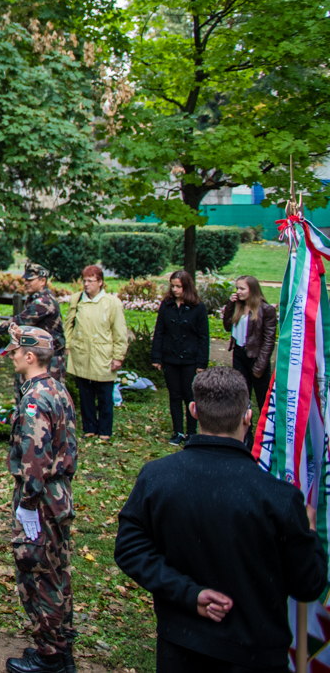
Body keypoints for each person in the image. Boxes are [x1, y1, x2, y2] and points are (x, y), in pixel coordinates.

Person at [114, 367, 327, 673]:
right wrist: (310, 532)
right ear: (248, 417)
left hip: (184, 649)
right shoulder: (278, 498)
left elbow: (130, 550)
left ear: (193, 410)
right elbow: (309, 584)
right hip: (252, 654)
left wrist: (186, 591)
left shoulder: (157, 478)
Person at [2, 326, 78, 673]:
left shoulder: (35, 399)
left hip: (41, 497)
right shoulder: (57, 388)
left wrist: (28, 504)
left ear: (30, 356)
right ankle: (62, 647)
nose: (12, 356)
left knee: (37, 572)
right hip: (58, 494)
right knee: (57, 570)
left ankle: (49, 657)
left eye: (15, 351)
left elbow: (35, 456)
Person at [63, 265, 127, 439]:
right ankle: (89, 428)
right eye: (84, 280)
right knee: (85, 394)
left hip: (103, 355)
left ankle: (105, 431)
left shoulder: (112, 303)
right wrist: (67, 346)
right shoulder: (77, 299)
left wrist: (118, 356)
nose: (86, 284)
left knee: (105, 395)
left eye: (90, 281)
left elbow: (119, 332)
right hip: (81, 354)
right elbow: (68, 325)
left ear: (100, 282)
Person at [151, 269, 209, 446]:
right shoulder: (166, 305)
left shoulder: (198, 308)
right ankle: (178, 431)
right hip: (170, 358)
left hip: (190, 359)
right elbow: (159, 332)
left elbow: (204, 337)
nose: (175, 290)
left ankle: (191, 432)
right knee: (174, 395)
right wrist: (157, 357)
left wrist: (201, 363)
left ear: (187, 287)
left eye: (178, 286)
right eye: (173, 286)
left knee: (190, 396)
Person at [221, 275, 277, 412]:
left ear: (252, 290)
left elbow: (269, 340)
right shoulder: (238, 306)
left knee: (262, 397)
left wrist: (260, 365)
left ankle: (264, 425)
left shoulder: (266, 310)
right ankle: (245, 425)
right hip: (239, 354)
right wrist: (230, 305)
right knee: (241, 396)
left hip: (257, 356)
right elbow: (227, 327)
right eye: (237, 288)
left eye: (242, 289)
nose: (238, 292)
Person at [12, 262, 67, 387]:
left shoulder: (44, 301)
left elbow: (21, 320)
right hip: (36, 356)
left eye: (30, 280)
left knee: (46, 393)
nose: (26, 283)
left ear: (42, 281)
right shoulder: (34, 297)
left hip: (49, 360)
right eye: (25, 279)